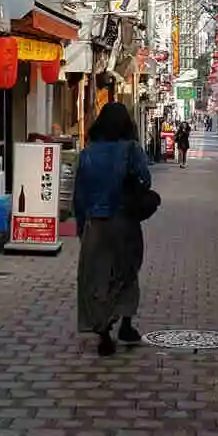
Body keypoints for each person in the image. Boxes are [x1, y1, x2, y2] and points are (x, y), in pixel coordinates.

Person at [73, 102, 151, 357]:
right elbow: (145, 180)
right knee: (127, 272)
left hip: (96, 225)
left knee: (97, 277)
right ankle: (126, 324)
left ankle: (103, 330)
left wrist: (80, 225)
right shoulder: (131, 149)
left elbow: (80, 196)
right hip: (125, 222)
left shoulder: (87, 154)